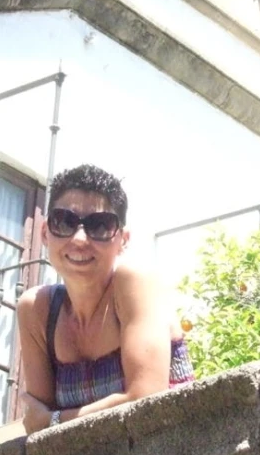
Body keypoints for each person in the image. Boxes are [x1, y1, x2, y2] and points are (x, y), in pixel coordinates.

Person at [17, 164, 195, 434]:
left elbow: (145, 401)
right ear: (44, 233)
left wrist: (54, 421)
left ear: (122, 240)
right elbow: (37, 429)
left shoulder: (134, 282)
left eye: (99, 226)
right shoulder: (37, 310)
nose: (79, 239)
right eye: (64, 222)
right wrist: (47, 423)